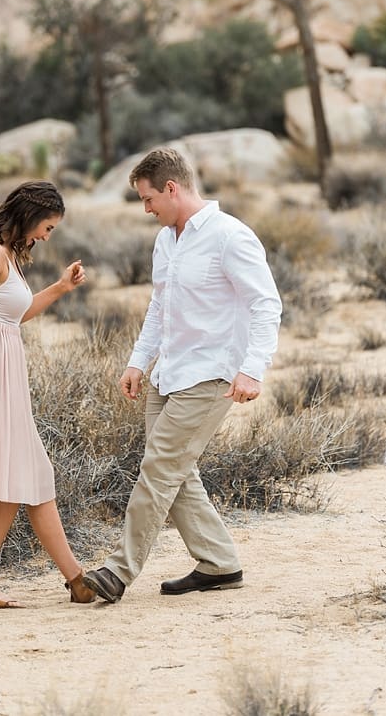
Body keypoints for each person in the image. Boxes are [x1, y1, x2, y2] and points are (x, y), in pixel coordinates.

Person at [82, 148, 282, 604]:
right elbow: (160, 307)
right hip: (168, 374)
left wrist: (252, 370)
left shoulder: (230, 237)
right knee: (175, 471)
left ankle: (117, 571)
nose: (146, 208)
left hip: (212, 375)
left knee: (158, 470)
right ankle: (219, 564)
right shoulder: (165, 241)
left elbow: (266, 305)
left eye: (148, 198)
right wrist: (139, 362)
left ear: (172, 188)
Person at [0, 180, 95, 608]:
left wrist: (61, 288)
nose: (47, 237)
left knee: (26, 475)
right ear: (29, 216)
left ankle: (74, 581)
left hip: (5, 365)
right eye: (47, 227)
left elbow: (15, 316)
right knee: (16, 477)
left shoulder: (9, 255)